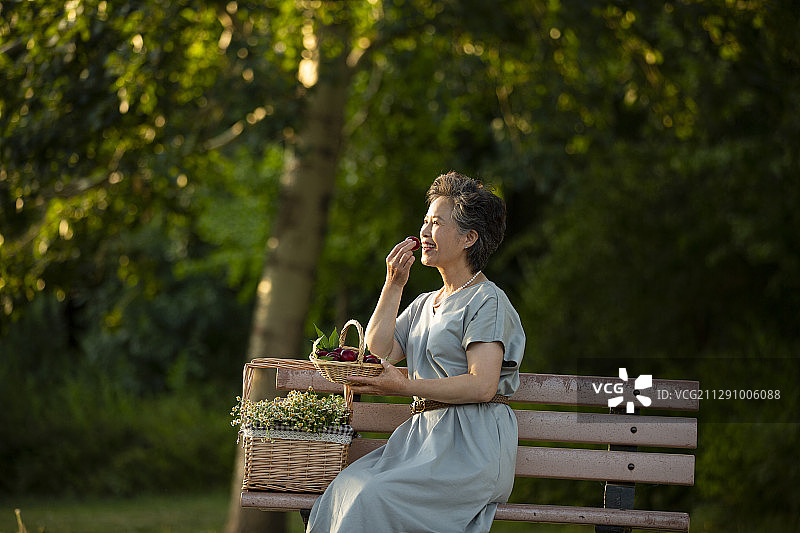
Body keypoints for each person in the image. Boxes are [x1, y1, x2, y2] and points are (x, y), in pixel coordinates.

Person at [305, 171, 525, 533]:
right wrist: (393, 284)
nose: (423, 232)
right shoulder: (425, 303)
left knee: (371, 495)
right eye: (425, 221)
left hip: (470, 448)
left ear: (469, 237)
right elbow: (377, 354)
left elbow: (483, 385)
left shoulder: (488, 301)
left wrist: (405, 387)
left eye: (436, 223)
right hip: (421, 441)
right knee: (344, 489)